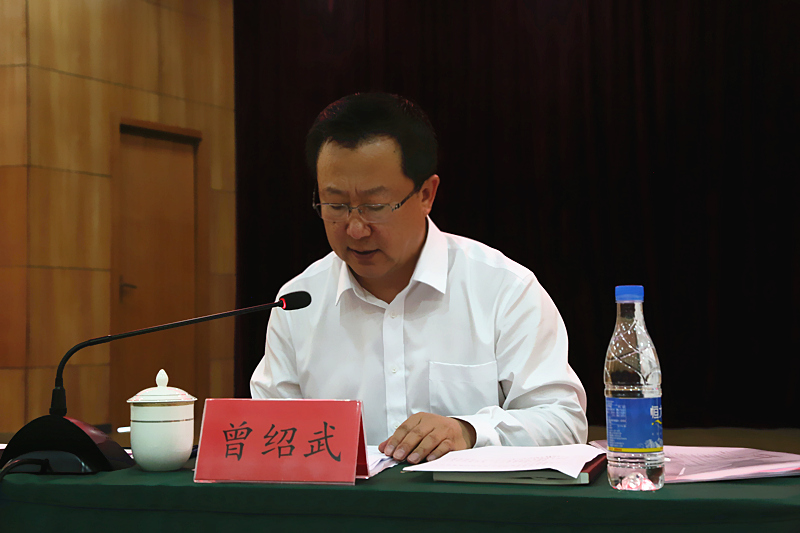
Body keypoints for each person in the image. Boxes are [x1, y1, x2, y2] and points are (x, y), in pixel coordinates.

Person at [250, 92, 587, 464]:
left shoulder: (503, 289)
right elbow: (270, 436)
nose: (356, 228)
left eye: (375, 206)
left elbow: (563, 421)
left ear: (426, 194)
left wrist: (469, 431)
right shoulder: (297, 302)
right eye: (336, 205)